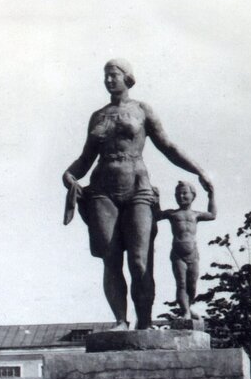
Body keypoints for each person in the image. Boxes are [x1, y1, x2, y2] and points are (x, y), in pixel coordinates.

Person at [62, 60, 213, 330]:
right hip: (102, 189)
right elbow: (86, 158)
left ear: (128, 78)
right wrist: (69, 175)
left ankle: (144, 322)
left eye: (114, 75)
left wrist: (199, 171)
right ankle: (121, 320)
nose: (109, 80)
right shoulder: (98, 116)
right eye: (106, 76)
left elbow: (167, 146)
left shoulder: (142, 110)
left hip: (137, 187)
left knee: (139, 258)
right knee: (110, 258)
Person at [158, 181, 216, 320]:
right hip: (178, 254)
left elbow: (212, 215)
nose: (181, 196)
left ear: (193, 196)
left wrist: (211, 194)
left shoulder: (196, 215)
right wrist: (156, 199)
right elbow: (156, 215)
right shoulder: (172, 213)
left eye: (185, 193)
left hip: (193, 254)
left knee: (192, 285)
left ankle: (188, 308)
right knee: (181, 283)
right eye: (178, 194)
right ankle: (185, 312)